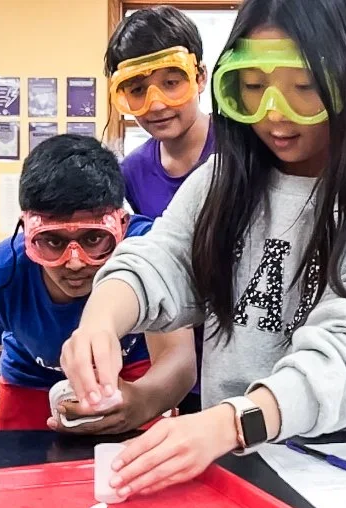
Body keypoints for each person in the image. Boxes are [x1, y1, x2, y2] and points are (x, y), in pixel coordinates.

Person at [60, 0, 346, 498]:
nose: (274, 115)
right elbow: (162, 259)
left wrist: (229, 424)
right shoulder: (221, 181)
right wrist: (102, 320)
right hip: (241, 466)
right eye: (254, 88)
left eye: (304, 89)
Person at [0, 134, 195, 431]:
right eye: (53, 240)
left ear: (122, 227)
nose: (75, 261)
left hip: (133, 373)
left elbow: (178, 358)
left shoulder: (148, 251)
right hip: (31, 380)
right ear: (27, 231)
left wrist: (142, 403)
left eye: (93, 238)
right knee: (11, 464)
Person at [106, 5, 215, 413]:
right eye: (137, 90)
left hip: (249, 360)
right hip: (177, 368)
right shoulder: (131, 173)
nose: (155, 104)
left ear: (199, 77)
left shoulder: (242, 154)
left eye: (172, 83)